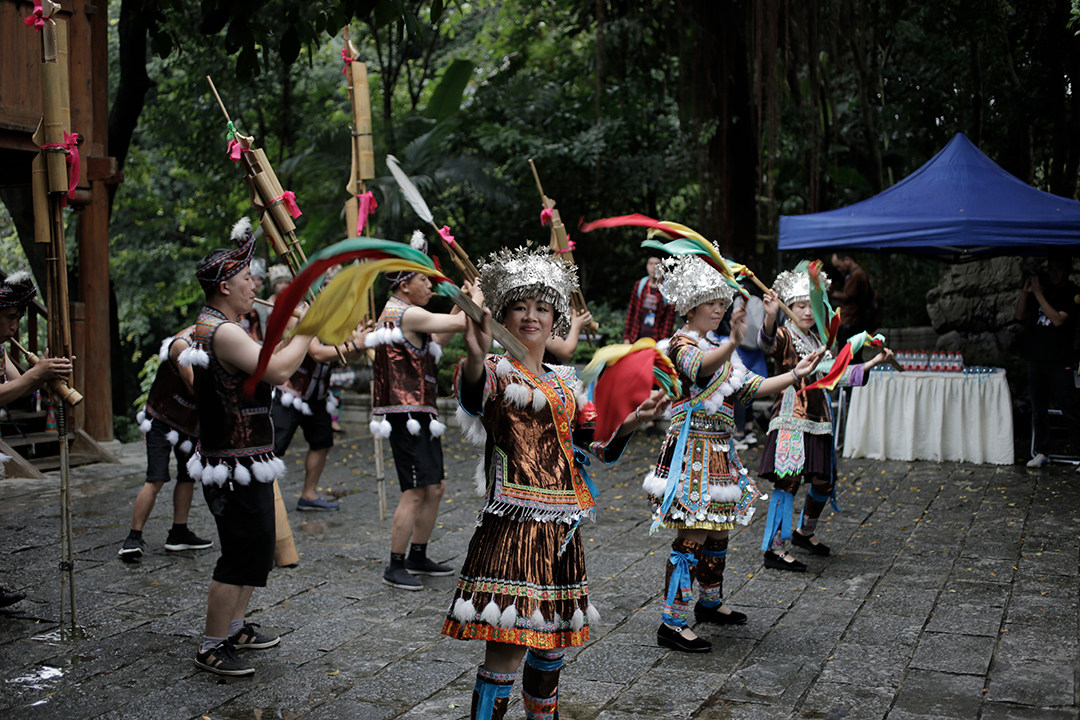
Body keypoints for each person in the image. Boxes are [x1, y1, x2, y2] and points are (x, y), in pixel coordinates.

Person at [446, 246, 669, 720]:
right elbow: (472, 396)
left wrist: (634, 419)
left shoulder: (566, 382)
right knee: (507, 647)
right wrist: (474, 354)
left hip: (563, 531)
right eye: (520, 306)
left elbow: (595, 440)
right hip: (513, 530)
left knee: (551, 648)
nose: (531, 316)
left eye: (542, 308)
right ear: (503, 315)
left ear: (555, 320)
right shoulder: (494, 371)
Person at [642, 255, 822, 653]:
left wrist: (796, 373)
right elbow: (699, 369)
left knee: (719, 531)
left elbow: (751, 387)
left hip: (719, 450)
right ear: (691, 307)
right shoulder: (681, 344)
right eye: (711, 302)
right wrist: (734, 343)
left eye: (722, 303)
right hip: (692, 451)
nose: (719, 309)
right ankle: (672, 622)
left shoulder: (718, 346)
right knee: (693, 533)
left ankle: (709, 602)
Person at [182, 218, 314, 677]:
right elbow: (277, 371)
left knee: (257, 547)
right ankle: (211, 645)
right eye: (246, 279)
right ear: (224, 287)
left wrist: (297, 330)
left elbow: (269, 360)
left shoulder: (225, 326)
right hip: (231, 460)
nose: (254, 285)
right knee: (240, 552)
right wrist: (307, 330)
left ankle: (234, 628)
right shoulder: (222, 331)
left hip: (244, 456)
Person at [757, 267, 893, 571]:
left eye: (812, 306)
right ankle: (775, 548)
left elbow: (836, 375)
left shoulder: (819, 340)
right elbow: (766, 343)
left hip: (819, 419)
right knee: (788, 480)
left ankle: (804, 532)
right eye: (800, 306)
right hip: (792, 417)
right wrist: (770, 316)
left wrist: (873, 361)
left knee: (824, 481)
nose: (807, 312)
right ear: (789, 308)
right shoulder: (785, 335)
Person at [369, 231, 479, 591]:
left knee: (434, 487)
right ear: (404, 285)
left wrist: (463, 300)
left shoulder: (408, 314)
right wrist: (475, 296)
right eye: (423, 279)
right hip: (407, 416)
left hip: (418, 415)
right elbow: (463, 324)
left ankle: (417, 555)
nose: (430, 285)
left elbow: (440, 339)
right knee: (415, 490)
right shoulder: (404, 313)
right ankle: (395, 564)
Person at [0, 271, 73, 608]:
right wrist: (37, 375)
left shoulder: (1, 349)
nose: (14, 327)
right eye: (10, 317)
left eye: (17, 319)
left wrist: (46, 372)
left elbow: (19, 384)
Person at [119, 325, 212, 561]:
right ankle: (133, 537)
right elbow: (195, 385)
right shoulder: (182, 344)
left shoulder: (221, 339)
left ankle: (179, 532)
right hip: (162, 418)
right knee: (156, 478)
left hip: (190, 423)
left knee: (187, 476)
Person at [273, 334, 367, 512]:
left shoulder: (338, 328)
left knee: (322, 443)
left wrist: (361, 343)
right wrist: (355, 344)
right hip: (290, 393)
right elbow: (317, 353)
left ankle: (308, 495)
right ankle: (265, 497)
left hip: (318, 396)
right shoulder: (310, 323)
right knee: (274, 448)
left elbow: (353, 356)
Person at [1015, 253, 1080, 468]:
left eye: (1058, 269)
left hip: (1060, 359)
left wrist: (1039, 294)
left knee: (1069, 406)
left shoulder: (1072, 293)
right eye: (1051, 269)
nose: (1054, 274)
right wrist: (1026, 293)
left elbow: (1058, 319)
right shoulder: (1043, 290)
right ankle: (1041, 451)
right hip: (1037, 357)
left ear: (1067, 270)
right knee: (1038, 407)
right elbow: (1020, 316)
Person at [622, 255, 675, 344]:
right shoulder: (640, 285)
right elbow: (631, 312)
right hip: (636, 337)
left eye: (657, 265)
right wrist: (627, 337)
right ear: (647, 266)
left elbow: (669, 319)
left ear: (664, 268)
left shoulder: (667, 290)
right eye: (651, 264)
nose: (653, 267)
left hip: (656, 340)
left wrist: (663, 343)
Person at [829, 252, 874, 346]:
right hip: (851, 320)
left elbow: (849, 296)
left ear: (847, 260)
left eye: (839, 266)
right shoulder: (853, 274)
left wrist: (832, 293)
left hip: (851, 321)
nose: (839, 269)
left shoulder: (857, 275)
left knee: (848, 351)